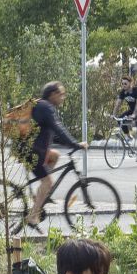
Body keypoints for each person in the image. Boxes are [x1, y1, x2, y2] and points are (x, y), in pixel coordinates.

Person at [21, 80, 81, 231]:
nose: (63, 97)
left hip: (34, 150)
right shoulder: (45, 107)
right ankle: (33, 216)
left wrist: (70, 143)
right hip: (31, 152)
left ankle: (40, 195)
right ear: (53, 94)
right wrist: (75, 144)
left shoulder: (44, 107)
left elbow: (54, 135)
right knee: (48, 182)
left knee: (55, 155)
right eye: (61, 94)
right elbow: (58, 128)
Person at [113, 73, 137, 154]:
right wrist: (114, 114)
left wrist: (134, 115)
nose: (123, 85)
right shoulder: (123, 92)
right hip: (132, 110)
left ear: (131, 83)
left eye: (125, 83)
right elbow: (118, 104)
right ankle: (129, 136)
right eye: (122, 83)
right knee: (120, 119)